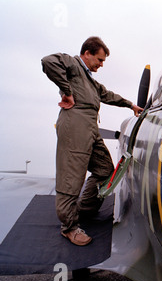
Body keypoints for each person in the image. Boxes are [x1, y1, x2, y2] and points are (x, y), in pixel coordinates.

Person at [41, 36, 143, 246]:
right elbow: (48, 61)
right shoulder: (72, 64)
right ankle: (69, 227)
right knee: (72, 176)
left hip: (90, 128)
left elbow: (107, 94)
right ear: (87, 54)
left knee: (105, 169)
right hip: (75, 126)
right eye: (99, 59)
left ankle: (84, 210)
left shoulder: (90, 81)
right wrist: (67, 91)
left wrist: (130, 105)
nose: (101, 64)